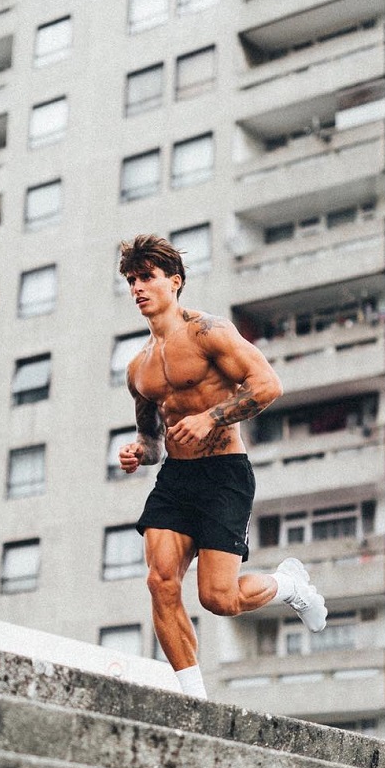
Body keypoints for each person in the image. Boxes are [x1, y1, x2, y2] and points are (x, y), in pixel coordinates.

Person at [117, 234, 327, 699]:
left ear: (175, 281)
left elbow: (268, 385)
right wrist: (138, 453)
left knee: (218, 599)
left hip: (224, 473)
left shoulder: (209, 332)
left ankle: (289, 584)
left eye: (146, 277)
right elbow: (153, 441)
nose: (137, 287)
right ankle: (195, 698)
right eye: (131, 280)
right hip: (176, 479)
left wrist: (210, 416)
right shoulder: (138, 369)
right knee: (159, 580)